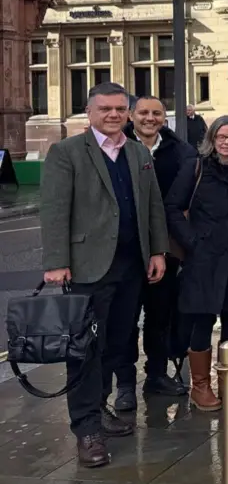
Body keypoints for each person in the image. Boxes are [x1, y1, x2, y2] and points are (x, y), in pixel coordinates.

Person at [40, 82, 168, 468]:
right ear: (90, 112)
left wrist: (158, 249)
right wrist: (56, 261)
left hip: (131, 265)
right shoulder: (66, 153)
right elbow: (54, 210)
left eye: (119, 109)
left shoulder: (136, 151)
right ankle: (87, 429)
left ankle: (100, 407)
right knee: (84, 351)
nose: (113, 115)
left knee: (116, 343)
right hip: (86, 267)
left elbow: (153, 206)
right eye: (105, 109)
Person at [164, 116, 228, 411]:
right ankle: (200, 386)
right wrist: (192, 242)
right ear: (212, 139)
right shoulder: (196, 167)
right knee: (202, 320)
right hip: (203, 258)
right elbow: (173, 207)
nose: (227, 142)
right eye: (221, 137)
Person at [113, 95, 195, 409]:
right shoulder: (116, 148)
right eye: (144, 112)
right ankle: (124, 384)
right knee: (125, 319)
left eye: (157, 113)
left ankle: (157, 374)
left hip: (166, 250)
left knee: (160, 317)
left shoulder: (180, 152)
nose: (150, 118)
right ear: (132, 115)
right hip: (124, 251)